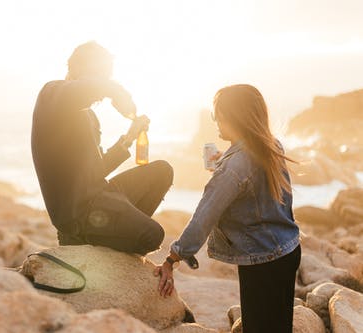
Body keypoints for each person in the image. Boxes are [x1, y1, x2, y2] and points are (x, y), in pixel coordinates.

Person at [155, 84, 301, 333]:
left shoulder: (234, 168)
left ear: (233, 116)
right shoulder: (270, 145)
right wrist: (225, 162)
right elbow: (256, 184)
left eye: (217, 115)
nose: (216, 122)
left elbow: (203, 218)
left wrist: (172, 259)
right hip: (287, 250)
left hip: (261, 261)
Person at [31, 41, 173, 255]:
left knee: (162, 171)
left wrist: (129, 138)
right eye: (102, 74)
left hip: (101, 195)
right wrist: (115, 90)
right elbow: (84, 89)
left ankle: (113, 233)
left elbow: (96, 170)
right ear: (77, 69)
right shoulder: (51, 95)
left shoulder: (89, 116)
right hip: (79, 214)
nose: (104, 82)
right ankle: (84, 240)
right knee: (153, 235)